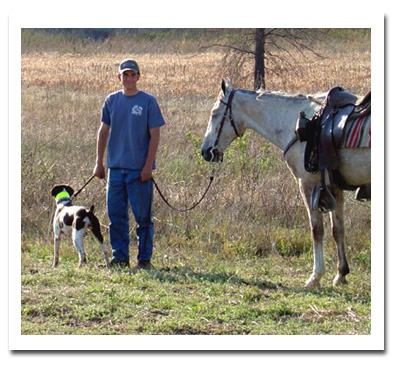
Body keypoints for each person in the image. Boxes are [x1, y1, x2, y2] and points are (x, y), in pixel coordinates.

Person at [93, 59, 165, 270]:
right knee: (116, 217)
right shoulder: (111, 101)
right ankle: (120, 258)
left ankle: (144, 260)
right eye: (125, 75)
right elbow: (103, 132)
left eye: (133, 74)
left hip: (139, 172)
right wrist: (99, 163)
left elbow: (155, 136)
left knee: (143, 218)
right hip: (115, 169)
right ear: (119, 77)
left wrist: (148, 167)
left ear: (138, 77)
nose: (129, 79)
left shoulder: (148, 102)